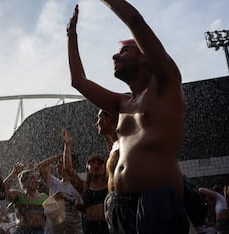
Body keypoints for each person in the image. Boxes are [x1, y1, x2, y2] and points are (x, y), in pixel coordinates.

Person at [67, 1, 189, 233]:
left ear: (145, 58)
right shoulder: (122, 103)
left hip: (156, 199)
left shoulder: (166, 84)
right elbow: (78, 81)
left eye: (124, 50)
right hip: (119, 204)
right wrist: (71, 34)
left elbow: (135, 21)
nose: (115, 55)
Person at [63, 130, 109, 234]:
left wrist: (108, 136)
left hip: (108, 227)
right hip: (90, 228)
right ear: (87, 168)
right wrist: (67, 145)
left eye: (100, 163)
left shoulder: (110, 184)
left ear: (105, 167)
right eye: (92, 163)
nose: (96, 165)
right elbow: (68, 169)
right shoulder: (84, 186)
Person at [37, 134, 84, 234]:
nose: (58, 164)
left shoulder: (78, 184)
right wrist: (58, 156)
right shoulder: (54, 183)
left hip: (74, 230)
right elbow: (40, 167)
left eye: (61, 162)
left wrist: (66, 198)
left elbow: (83, 207)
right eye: (58, 162)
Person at [3, 162, 47, 234]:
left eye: (36, 178)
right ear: (24, 183)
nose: (35, 181)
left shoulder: (44, 197)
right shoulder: (18, 196)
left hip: (40, 231)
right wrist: (13, 173)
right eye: (32, 178)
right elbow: (3, 190)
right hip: (23, 231)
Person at [94, 109, 119, 192]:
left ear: (109, 118)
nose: (97, 123)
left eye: (99, 117)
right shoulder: (115, 145)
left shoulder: (124, 144)